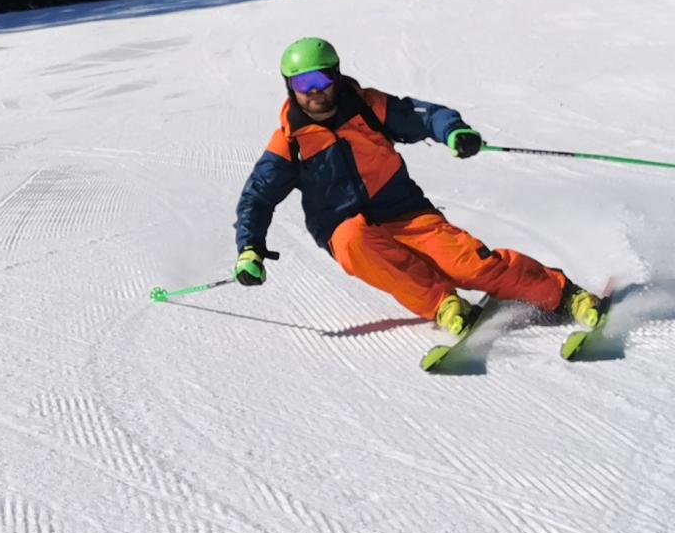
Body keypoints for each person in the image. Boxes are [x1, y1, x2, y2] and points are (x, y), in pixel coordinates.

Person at [233, 36, 601, 334]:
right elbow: (257, 198)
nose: (315, 91)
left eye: (322, 80)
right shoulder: (290, 141)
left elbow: (424, 115)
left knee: (470, 266)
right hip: (344, 228)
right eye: (303, 83)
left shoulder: (367, 108)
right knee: (353, 241)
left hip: (405, 211)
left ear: (336, 76)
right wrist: (250, 248)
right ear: (290, 87)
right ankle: (443, 304)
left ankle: (565, 295)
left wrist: (453, 131)